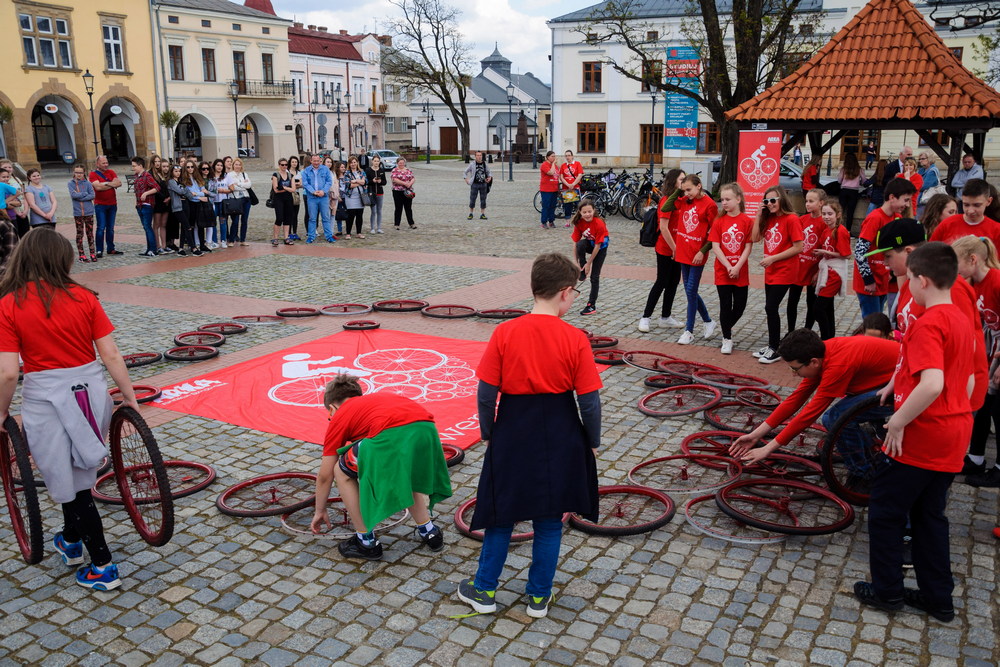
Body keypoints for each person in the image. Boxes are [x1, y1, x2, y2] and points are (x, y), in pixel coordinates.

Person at [457, 252, 601, 619]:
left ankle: (485, 590)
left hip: (513, 425)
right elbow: (589, 401)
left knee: (501, 512)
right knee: (550, 518)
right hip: (560, 425)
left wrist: (489, 433)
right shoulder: (575, 337)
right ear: (566, 293)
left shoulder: (505, 331)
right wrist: (592, 442)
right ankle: (539, 597)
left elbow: (486, 394)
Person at [0, 227, 142, 591]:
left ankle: (103, 565)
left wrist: (1, 413)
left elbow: (8, 372)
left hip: (46, 397)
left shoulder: (10, 303)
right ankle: (70, 539)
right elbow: (110, 353)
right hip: (90, 392)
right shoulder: (84, 297)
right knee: (75, 472)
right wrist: (129, 396)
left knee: (70, 483)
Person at [854, 242, 976, 625]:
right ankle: (939, 599)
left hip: (921, 436)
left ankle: (888, 591)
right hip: (954, 433)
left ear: (922, 280)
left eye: (909, 280)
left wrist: (898, 421)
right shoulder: (959, 318)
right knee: (929, 517)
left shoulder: (929, 322)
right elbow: (968, 380)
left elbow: (932, 384)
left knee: (887, 514)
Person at [310, 375, 453, 561]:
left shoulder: (342, 414)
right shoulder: (377, 400)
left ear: (332, 408)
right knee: (405, 475)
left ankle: (366, 542)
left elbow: (324, 475)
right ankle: (430, 533)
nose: (331, 419)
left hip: (392, 436)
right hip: (427, 432)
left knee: (340, 471)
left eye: (330, 416)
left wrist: (320, 510)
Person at [729, 328, 898, 480]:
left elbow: (809, 414)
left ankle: (865, 473)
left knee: (835, 418)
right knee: (843, 414)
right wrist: (756, 435)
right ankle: (871, 444)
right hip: (883, 380)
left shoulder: (837, 364)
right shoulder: (820, 353)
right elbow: (795, 400)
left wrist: (768, 448)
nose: (794, 374)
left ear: (813, 362)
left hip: (906, 388)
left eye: (795, 369)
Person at [951, 235, 1000, 488]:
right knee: (982, 405)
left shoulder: (996, 280)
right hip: (993, 346)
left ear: (973, 259)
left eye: (956, 264)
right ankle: (976, 458)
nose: (954, 271)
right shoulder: (975, 283)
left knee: (997, 410)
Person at [662, 174, 717, 345]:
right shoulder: (685, 200)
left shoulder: (710, 205)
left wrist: (703, 251)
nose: (687, 193)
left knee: (691, 290)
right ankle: (708, 321)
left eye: (689, 189)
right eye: (684, 190)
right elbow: (666, 207)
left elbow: (715, 232)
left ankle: (689, 330)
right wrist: (679, 191)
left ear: (699, 186)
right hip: (683, 252)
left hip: (697, 254)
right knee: (689, 291)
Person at [753, 186, 804, 364]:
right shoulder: (770, 218)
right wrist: (759, 215)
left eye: (773, 200)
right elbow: (754, 238)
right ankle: (771, 345)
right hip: (771, 270)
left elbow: (799, 247)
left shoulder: (791, 219)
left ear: (781, 199)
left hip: (785, 270)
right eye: (766, 201)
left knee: (770, 307)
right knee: (770, 308)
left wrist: (773, 258)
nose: (770, 204)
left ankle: (775, 348)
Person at [853, 178, 914, 317]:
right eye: (906, 200)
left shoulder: (896, 217)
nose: (908, 204)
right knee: (872, 322)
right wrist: (868, 279)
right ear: (892, 197)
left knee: (878, 318)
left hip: (883, 278)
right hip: (870, 281)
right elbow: (860, 251)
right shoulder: (875, 218)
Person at [637, 169, 685, 333]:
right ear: (673, 181)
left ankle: (666, 317)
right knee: (661, 282)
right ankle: (646, 317)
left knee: (673, 283)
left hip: (678, 249)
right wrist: (674, 249)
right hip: (666, 248)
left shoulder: (683, 200)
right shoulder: (667, 201)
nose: (684, 182)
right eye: (681, 179)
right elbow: (664, 228)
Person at [709, 182, 753, 354]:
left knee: (740, 306)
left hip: (740, 271)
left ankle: (725, 325)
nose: (724, 203)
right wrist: (728, 266)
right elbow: (715, 246)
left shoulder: (747, 221)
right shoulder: (719, 221)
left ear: (738, 199)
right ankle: (727, 337)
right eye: (722, 199)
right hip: (723, 271)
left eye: (728, 199)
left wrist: (737, 266)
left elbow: (748, 247)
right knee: (725, 305)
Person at [788, 188, 827, 334]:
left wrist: (819, 271)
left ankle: (807, 330)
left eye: (811, 201)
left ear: (821, 203)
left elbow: (825, 247)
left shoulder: (824, 223)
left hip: (813, 267)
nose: (807, 204)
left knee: (811, 302)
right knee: (792, 301)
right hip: (798, 266)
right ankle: (791, 331)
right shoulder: (802, 220)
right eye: (806, 201)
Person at [813, 201, 851, 340]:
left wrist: (824, 251)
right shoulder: (826, 231)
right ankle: (829, 338)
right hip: (827, 270)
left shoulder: (840, 231)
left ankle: (825, 338)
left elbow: (846, 254)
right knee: (827, 308)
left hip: (835, 272)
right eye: (824, 214)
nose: (826, 217)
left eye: (830, 214)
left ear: (838, 215)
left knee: (818, 309)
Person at [929, 179, 999, 248]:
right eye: (966, 205)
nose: (970, 211)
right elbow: (929, 254)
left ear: (989, 201)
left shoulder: (996, 230)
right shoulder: (947, 224)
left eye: (977, 205)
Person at [569, 200, 609, 316]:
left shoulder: (599, 223)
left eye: (589, 211)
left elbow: (598, 245)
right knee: (581, 244)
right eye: (584, 212)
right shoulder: (579, 222)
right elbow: (575, 243)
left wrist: (589, 264)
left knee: (594, 277)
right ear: (580, 213)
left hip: (600, 249)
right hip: (589, 245)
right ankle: (582, 266)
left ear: (593, 211)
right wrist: (576, 263)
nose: (587, 214)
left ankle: (591, 305)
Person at [89, 155, 123, 257]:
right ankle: (99, 250)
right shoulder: (93, 174)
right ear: (97, 164)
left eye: (106, 163)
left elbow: (119, 183)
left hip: (112, 204)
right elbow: (97, 187)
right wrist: (111, 184)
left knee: (111, 228)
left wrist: (105, 184)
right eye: (103, 163)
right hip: (100, 205)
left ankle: (111, 248)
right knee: (101, 227)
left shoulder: (111, 172)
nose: (106, 165)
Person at [300, 153, 335, 243]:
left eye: (318, 161)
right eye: (314, 161)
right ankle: (311, 236)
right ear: (311, 161)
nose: (316, 163)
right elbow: (305, 183)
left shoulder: (325, 169)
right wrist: (313, 191)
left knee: (325, 217)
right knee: (312, 218)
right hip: (312, 197)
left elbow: (329, 181)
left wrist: (323, 191)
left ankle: (328, 236)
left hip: (323, 197)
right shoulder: (306, 171)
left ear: (320, 161)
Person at [166, 164, 199, 256]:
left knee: (185, 228)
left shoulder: (181, 182)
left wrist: (186, 191)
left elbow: (189, 195)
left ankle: (181, 248)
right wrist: (186, 191)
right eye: (176, 171)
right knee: (187, 226)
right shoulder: (171, 182)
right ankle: (193, 247)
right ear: (172, 172)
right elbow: (180, 191)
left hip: (185, 205)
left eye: (179, 171)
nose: (178, 173)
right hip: (178, 207)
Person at [130, 157, 160, 257]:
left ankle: (153, 249)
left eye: (134, 166)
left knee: (148, 227)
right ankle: (149, 249)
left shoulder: (147, 175)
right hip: (139, 205)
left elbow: (156, 187)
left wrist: (146, 193)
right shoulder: (137, 176)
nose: (133, 168)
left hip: (147, 205)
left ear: (140, 166)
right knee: (145, 227)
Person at [67, 165, 97, 263]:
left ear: (84, 173)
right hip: (78, 213)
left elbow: (92, 195)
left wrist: (80, 195)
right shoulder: (71, 183)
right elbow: (73, 195)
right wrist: (85, 194)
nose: (78, 174)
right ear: (74, 173)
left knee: (90, 234)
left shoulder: (88, 183)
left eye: (80, 172)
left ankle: (92, 253)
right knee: (80, 234)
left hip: (89, 212)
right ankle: (81, 254)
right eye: (76, 172)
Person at [207, 159, 232, 249]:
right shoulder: (210, 177)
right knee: (213, 223)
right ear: (214, 166)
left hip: (223, 202)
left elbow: (232, 188)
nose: (219, 167)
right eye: (218, 165)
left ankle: (223, 240)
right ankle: (214, 241)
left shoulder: (226, 176)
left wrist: (223, 191)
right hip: (213, 202)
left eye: (221, 165)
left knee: (223, 222)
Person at [226, 158, 252, 246]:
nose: (238, 166)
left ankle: (243, 239)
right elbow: (232, 187)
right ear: (233, 165)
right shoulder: (229, 175)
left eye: (239, 164)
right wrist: (242, 185)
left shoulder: (244, 174)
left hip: (246, 198)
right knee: (235, 221)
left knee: (244, 220)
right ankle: (231, 240)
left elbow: (249, 185)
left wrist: (239, 184)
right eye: (236, 164)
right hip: (235, 199)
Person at [271, 158, 296, 246]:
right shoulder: (275, 175)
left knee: (288, 218)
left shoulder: (290, 176)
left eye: (286, 165)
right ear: (279, 165)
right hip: (279, 199)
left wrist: (284, 188)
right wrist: (286, 189)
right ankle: (275, 238)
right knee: (279, 218)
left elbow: (293, 189)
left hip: (288, 199)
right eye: (282, 165)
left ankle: (286, 237)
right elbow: (276, 190)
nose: (284, 166)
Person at [837, 153, 865, 233]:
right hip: (854, 191)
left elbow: (839, 180)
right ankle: (848, 230)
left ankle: (838, 228)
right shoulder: (859, 170)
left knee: (840, 211)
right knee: (850, 212)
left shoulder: (843, 169)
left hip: (844, 190)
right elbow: (864, 181)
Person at [1, 160, 29, 238]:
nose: (8, 169)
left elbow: (22, 194)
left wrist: (26, 210)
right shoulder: (4, 183)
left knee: (25, 235)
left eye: (9, 167)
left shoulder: (17, 179)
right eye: (5, 167)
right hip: (11, 213)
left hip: (21, 210)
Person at [150, 156, 172, 255]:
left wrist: (168, 197)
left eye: (159, 161)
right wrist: (164, 198)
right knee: (156, 225)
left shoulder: (161, 173)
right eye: (156, 162)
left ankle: (164, 246)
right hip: (157, 201)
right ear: (152, 163)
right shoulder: (150, 174)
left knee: (164, 224)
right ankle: (158, 246)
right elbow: (155, 189)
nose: (158, 163)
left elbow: (165, 187)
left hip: (166, 202)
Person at [342, 157, 367, 240]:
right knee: (351, 215)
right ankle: (348, 233)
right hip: (351, 197)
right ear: (349, 164)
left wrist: (355, 181)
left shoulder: (361, 172)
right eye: (351, 162)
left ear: (357, 163)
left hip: (360, 196)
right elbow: (349, 185)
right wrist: (359, 182)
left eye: (354, 162)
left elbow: (365, 182)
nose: (353, 164)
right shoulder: (347, 173)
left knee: (360, 215)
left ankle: (358, 232)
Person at [464, 151, 492, 220]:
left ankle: (482, 214)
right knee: (472, 199)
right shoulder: (472, 164)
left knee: (483, 199)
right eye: (478, 155)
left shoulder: (484, 164)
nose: (479, 157)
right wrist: (466, 179)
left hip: (483, 184)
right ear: (475, 156)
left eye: (480, 155)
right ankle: (471, 213)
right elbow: (465, 172)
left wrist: (489, 177)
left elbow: (489, 172)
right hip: (474, 184)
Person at [391, 157, 416, 230]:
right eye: (400, 163)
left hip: (408, 191)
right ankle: (397, 224)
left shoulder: (408, 170)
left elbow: (413, 178)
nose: (401, 164)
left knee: (408, 208)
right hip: (397, 191)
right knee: (398, 208)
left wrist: (410, 183)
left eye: (402, 163)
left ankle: (411, 223)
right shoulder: (394, 170)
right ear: (397, 163)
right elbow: (394, 179)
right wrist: (404, 183)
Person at [559, 150, 584, 220]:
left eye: (569, 155)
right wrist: (568, 184)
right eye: (566, 156)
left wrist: (573, 184)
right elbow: (561, 177)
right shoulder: (563, 165)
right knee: (567, 206)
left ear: (572, 156)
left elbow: (580, 175)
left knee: (579, 205)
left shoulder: (577, 164)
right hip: (566, 189)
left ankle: (580, 220)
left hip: (575, 188)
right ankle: (567, 221)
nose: (567, 157)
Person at [366, 154, 387, 233]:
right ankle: (372, 228)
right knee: (373, 211)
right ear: (372, 161)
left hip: (380, 193)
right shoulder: (368, 170)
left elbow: (385, 182)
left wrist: (380, 181)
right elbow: (366, 181)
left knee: (379, 211)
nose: (376, 162)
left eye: (378, 161)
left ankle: (379, 227)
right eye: (375, 161)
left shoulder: (381, 170)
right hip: (372, 193)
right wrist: (373, 181)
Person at [538, 151, 559, 229]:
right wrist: (553, 164)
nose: (554, 158)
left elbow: (557, 175)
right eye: (552, 156)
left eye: (554, 156)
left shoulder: (555, 166)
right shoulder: (544, 165)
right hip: (546, 189)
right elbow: (551, 173)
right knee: (546, 206)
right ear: (547, 157)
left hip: (554, 189)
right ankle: (544, 222)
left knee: (553, 206)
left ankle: (551, 220)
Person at [287, 155, 302, 241]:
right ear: (290, 163)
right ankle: (288, 233)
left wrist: (294, 184)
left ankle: (295, 232)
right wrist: (295, 184)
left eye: (296, 162)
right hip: (288, 195)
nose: (294, 163)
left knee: (295, 215)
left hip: (296, 195)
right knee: (289, 214)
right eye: (293, 162)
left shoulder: (298, 172)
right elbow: (287, 184)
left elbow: (301, 184)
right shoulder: (287, 172)